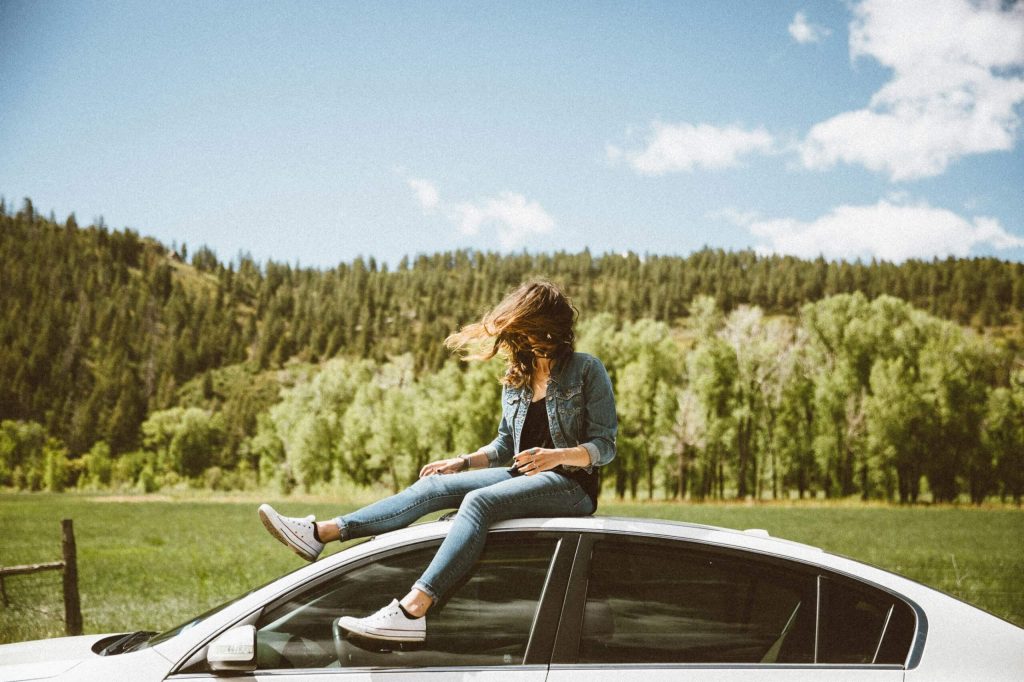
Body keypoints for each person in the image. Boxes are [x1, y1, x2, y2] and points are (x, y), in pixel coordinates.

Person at [257, 279, 617, 642]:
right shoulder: (517, 378)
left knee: (478, 503)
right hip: (518, 475)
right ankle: (320, 533)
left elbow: (605, 445)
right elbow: (506, 444)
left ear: (547, 325)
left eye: (527, 327)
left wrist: (557, 456)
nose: (522, 337)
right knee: (433, 486)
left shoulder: (586, 370)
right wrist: (461, 462)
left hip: (572, 486)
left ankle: (413, 610)